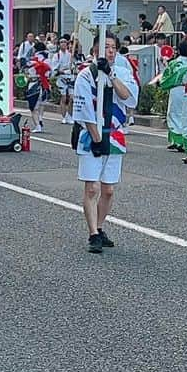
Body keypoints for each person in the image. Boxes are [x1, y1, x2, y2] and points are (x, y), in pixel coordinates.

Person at [73, 35, 139, 254]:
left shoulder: (121, 73)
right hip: (91, 136)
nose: (109, 51)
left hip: (116, 134)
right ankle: (92, 234)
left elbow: (129, 99)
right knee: (92, 187)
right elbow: (84, 110)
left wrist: (111, 75)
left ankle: (100, 228)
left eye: (113, 48)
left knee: (108, 190)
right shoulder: (85, 75)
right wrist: (96, 138)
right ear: (94, 50)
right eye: (105, 47)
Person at [155, 43, 187, 152]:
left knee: (174, 114)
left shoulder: (174, 63)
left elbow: (166, 78)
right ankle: (182, 140)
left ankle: (177, 141)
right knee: (185, 115)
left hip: (176, 90)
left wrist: (161, 84)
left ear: (178, 50)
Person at [25, 48, 52, 133]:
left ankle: (37, 125)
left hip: (34, 85)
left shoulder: (32, 63)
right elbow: (50, 74)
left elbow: (26, 73)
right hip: (44, 86)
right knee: (41, 104)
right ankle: (40, 118)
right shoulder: (47, 63)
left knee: (33, 108)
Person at [51, 37, 75, 123]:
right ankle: (64, 116)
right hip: (62, 78)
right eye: (61, 42)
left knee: (72, 98)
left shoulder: (70, 55)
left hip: (70, 77)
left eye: (65, 42)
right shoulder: (56, 55)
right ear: (59, 44)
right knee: (64, 98)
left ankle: (69, 115)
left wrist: (72, 68)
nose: (63, 44)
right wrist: (63, 70)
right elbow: (54, 68)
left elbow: (73, 67)